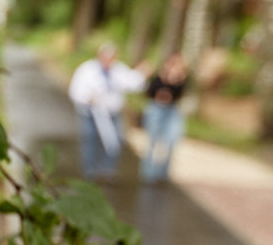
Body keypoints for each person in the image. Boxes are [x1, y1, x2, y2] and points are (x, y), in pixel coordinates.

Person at [68, 42, 148, 181]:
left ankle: (108, 170)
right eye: (106, 56)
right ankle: (89, 171)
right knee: (90, 139)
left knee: (114, 140)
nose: (108, 60)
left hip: (112, 113)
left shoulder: (119, 69)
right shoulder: (86, 70)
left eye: (111, 57)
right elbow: (75, 91)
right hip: (90, 112)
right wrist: (87, 98)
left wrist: (142, 73)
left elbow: (133, 83)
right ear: (99, 56)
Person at [141, 52, 189, 183]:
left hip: (171, 111)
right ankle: (148, 174)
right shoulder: (158, 77)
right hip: (156, 109)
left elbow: (179, 95)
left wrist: (176, 79)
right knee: (152, 142)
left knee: (171, 142)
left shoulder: (181, 78)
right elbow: (149, 92)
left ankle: (162, 174)